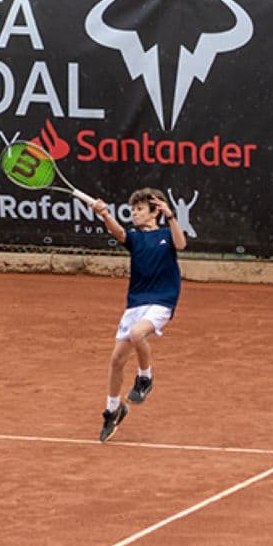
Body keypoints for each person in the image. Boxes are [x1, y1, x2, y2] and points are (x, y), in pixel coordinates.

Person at [91, 188, 187, 442]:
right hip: (135, 303)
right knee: (116, 360)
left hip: (162, 300)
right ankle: (113, 409)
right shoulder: (134, 237)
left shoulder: (167, 234)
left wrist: (171, 216)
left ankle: (145, 377)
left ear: (155, 212)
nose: (134, 213)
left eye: (140, 209)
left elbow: (181, 244)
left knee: (137, 334)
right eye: (132, 210)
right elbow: (118, 232)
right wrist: (104, 214)